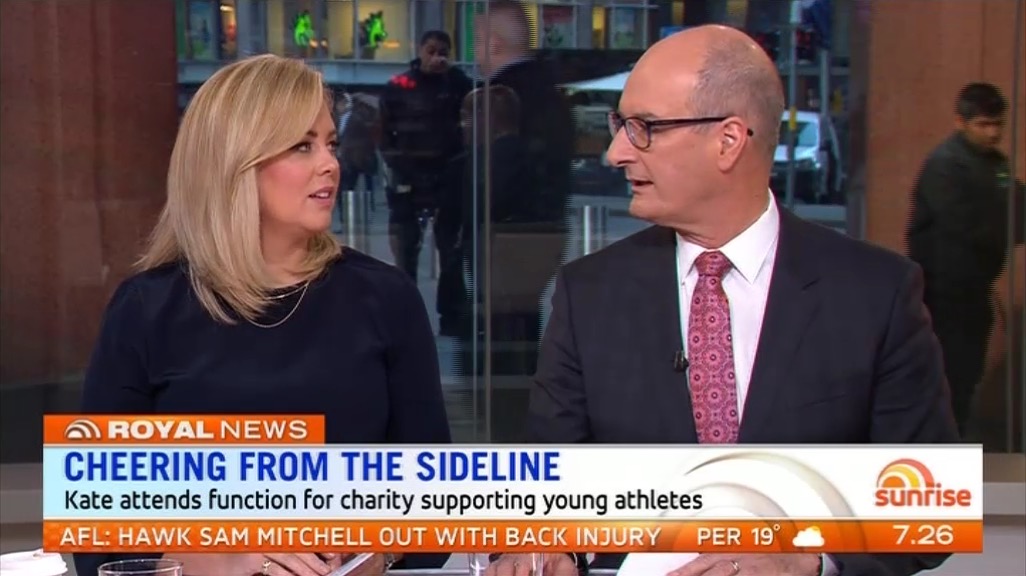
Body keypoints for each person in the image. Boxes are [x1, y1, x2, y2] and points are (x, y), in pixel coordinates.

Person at [489, 25, 958, 576]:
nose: (616, 152)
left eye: (644, 128)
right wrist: (544, 547)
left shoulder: (876, 294)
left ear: (729, 140)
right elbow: (544, 500)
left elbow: (930, 512)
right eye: (620, 126)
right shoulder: (588, 294)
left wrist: (809, 560)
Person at [75, 55, 450, 576]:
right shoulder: (146, 310)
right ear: (234, 163)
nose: (330, 164)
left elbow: (435, 514)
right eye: (302, 146)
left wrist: (373, 553)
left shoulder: (386, 299)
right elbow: (98, 541)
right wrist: (222, 558)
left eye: (331, 143)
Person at [906, 82, 1025, 437]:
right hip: (944, 292)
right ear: (961, 122)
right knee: (949, 375)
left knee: (967, 372)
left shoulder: (995, 165)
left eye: (997, 124)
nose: (992, 133)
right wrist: (1007, 226)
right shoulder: (946, 166)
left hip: (975, 289)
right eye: (983, 124)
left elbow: (1016, 204)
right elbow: (966, 225)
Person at [379, 30, 472, 336]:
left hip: (448, 176)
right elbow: (384, 135)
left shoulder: (459, 85)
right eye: (431, 51)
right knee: (407, 253)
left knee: (451, 252)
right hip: (409, 177)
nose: (437, 58)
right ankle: (406, 319)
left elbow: (470, 127)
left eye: (442, 52)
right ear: (420, 51)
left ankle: (452, 316)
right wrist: (399, 167)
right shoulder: (399, 88)